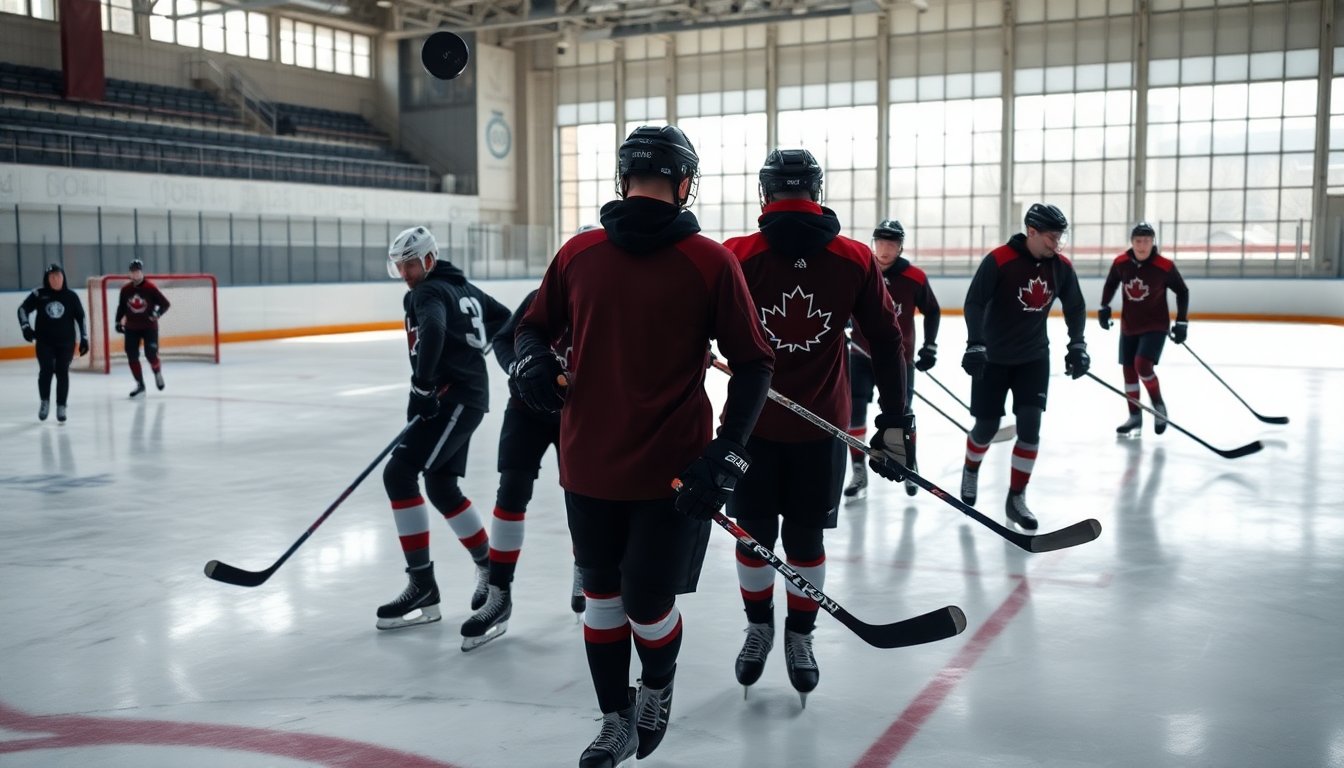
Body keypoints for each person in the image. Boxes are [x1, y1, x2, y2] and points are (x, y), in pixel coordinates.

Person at [513, 124, 774, 768]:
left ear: (623, 180)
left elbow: (529, 328)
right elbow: (757, 365)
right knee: (631, 600)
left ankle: (653, 689)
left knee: (622, 599)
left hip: (653, 471)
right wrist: (729, 451)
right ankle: (616, 718)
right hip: (638, 467)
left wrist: (727, 455)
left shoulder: (589, 253)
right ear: (685, 184)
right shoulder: (686, 258)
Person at [722, 149, 912, 706]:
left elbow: (691, 333)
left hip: (758, 428)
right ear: (818, 191)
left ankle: (776, 630)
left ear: (764, 195)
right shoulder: (854, 257)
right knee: (802, 541)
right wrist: (895, 422)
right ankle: (785, 634)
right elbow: (888, 342)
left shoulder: (736, 254)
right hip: (812, 430)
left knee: (754, 537)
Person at [376, 226, 512, 632]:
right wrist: (474, 354)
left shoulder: (428, 292)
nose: (405, 273)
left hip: (453, 399)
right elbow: (504, 318)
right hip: (463, 396)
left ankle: (422, 584)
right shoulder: (463, 287)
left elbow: (433, 331)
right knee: (440, 485)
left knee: (399, 474)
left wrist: (424, 384)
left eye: (411, 265)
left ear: (429, 260)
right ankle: (489, 568)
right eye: (400, 266)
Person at [458, 284, 584, 651]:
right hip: (526, 409)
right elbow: (503, 338)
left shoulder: (611, 300)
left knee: (582, 497)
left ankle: (586, 569)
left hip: (577, 416)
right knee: (511, 491)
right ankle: (499, 593)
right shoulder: (541, 298)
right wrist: (518, 368)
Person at [960, 203, 1088, 530]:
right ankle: (971, 468)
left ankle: (1016, 497)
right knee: (986, 428)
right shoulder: (1000, 260)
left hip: (1033, 358)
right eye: (1051, 237)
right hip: (993, 358)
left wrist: (1077, 343)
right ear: (1031, 232)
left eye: (1060, 237)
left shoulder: (1060, 267)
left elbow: (1075, 306)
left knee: (1030, 427)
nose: (1056, 244)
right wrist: (975, 342)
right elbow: (974, 302)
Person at [845, 218, 940, 499]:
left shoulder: (915, 277)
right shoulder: (861, 270)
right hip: (860, 356)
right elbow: (843, 305)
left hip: (899, 359)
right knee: (856, 412)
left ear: (900, 247)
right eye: (881, 242)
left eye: (892, 243)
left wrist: (929, 347)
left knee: (902, 414)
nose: (885, 248)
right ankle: (858, 469)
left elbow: (932, 311)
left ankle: (908, 463)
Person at [1098, 221, 1190, 436]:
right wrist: (1104, 307)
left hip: (1155, 325)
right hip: (1129, 325)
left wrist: (1182, 322)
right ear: (1132, 242)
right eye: (1138, 241)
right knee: (1129, 371)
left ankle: (1158, 406)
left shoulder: (1164, 266)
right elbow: (1111, 282)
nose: (1142, 245)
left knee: (1143, 366)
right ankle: (1135, 417)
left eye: (1147, 241)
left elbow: (1182, 291)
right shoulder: (1121, 262)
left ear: (1153, 242)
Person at [17, 263, 88, 423]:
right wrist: (25, 327)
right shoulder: (38, 294)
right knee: (46, 370)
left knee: (62, 371)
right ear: (47, 279)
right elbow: (22, 309)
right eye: (52, 277)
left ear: (64, 277)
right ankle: (44, 402)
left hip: (66, 343)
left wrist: (84, 338)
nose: (56, 279)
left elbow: (81, 317)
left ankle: (61, 406)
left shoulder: (71, 296)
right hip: (44, 342)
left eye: (59, 276)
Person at [116, 259, 170, 398]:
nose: (135, 274)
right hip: (131, 328)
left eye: (138, 271)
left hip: (149, 327)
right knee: (131, 355)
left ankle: (157, 372)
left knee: (151, 354)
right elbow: (121, 307)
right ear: (130, 273)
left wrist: (157, 313)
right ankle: (140, 384)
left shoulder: (150, 288)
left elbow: (165, 304)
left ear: (141, 272)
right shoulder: (125, 290)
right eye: (133, 271)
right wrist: (118, 321)